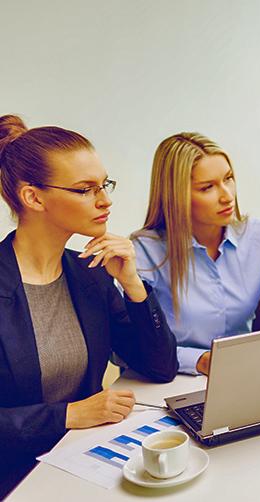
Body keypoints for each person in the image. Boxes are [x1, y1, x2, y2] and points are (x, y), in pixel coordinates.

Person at [0, 115, 177, 496]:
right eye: (85, 189)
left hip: (85, 461)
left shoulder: (90, 274)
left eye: (105, 185)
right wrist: (68, 415)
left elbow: (159, 367)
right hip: (15, 476)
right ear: (33, 197)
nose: (105, 200)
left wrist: (132, 283)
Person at [133, 132, 260, 375]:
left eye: (228, 178)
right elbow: (131, 349)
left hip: (243, 374)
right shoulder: (144, 251)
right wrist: (200, 360)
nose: (227, 196)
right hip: (170, 380)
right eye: (207, 188)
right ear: (176, 196)